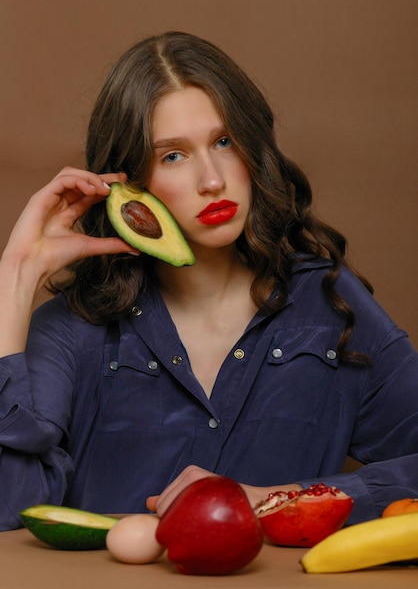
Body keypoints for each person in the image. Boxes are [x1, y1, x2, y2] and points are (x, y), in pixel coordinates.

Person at [0, 31, 417, 532]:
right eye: (173, 156)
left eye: (224, 141)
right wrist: (16, 274)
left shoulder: (327, 302)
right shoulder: (73, 329)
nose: (213, 179)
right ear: (130, 185)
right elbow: (12, 513)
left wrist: (277, 500)